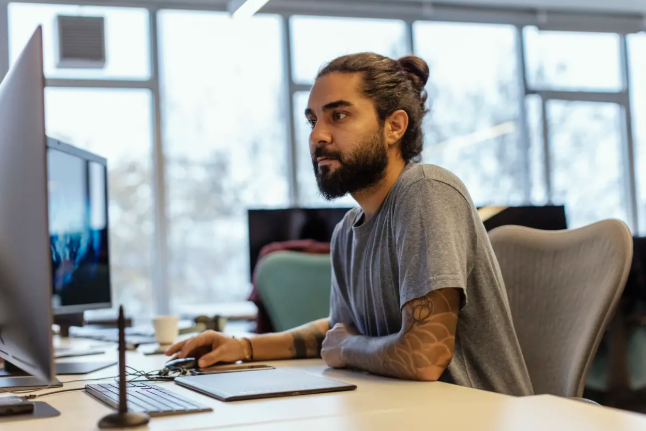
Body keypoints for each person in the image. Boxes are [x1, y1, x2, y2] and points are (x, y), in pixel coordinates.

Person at [166, 52, 533, 396]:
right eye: (312, 120)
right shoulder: (347, 231)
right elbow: (337, 335)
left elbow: (422, 357)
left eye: (337, 116)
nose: (317, 136)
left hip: (476, 415)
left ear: (394, 126)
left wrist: (347, 347)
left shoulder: (425, 191)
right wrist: (243, 346)